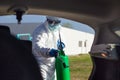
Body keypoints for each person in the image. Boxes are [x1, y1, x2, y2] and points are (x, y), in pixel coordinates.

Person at [32, 16, 65, 80]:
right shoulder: (40, 30)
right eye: (51, 22)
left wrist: (62, 46)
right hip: (42, 64)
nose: (53, 24)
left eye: (56, 22)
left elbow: (62, 43)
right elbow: (37, 46)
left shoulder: (59, 31)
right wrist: (48, 52)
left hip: (53, 64)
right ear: (47, 20)